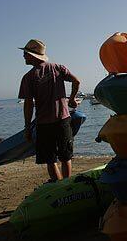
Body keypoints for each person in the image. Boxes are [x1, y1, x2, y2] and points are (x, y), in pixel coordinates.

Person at [18, 39, 80, 181]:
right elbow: (76, 81)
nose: (23, 56)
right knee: (66, 157)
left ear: (32, 55)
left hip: (44, 124)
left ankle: (58, 188)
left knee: (50, 160)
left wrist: (27, 127)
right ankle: (66, 186)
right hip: (63, 120)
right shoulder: (58, 68)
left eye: (25, 53)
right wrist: (72, 99)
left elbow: (28, 105)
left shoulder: (28, 78)